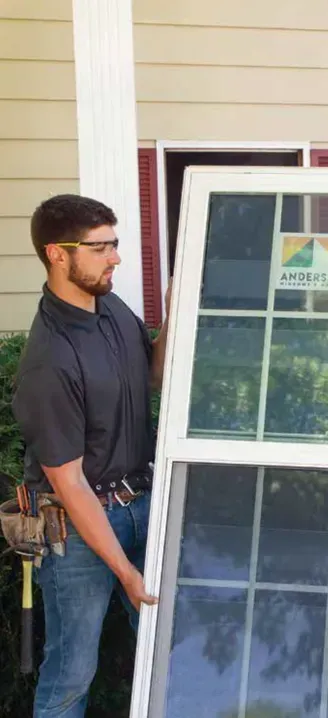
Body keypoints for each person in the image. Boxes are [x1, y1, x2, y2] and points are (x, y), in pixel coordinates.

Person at [11, 194, 170, 718]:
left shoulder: (113, 309)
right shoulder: (49, 361)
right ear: (58, 254)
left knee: (174, 650)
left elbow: (149, 378)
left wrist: (178, 311)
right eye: (101, 247)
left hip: (143, 505)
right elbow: (71, 484)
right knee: (71, 676)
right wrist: (125, 570)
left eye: (115, 244)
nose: (116, 258)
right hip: (79, 530)